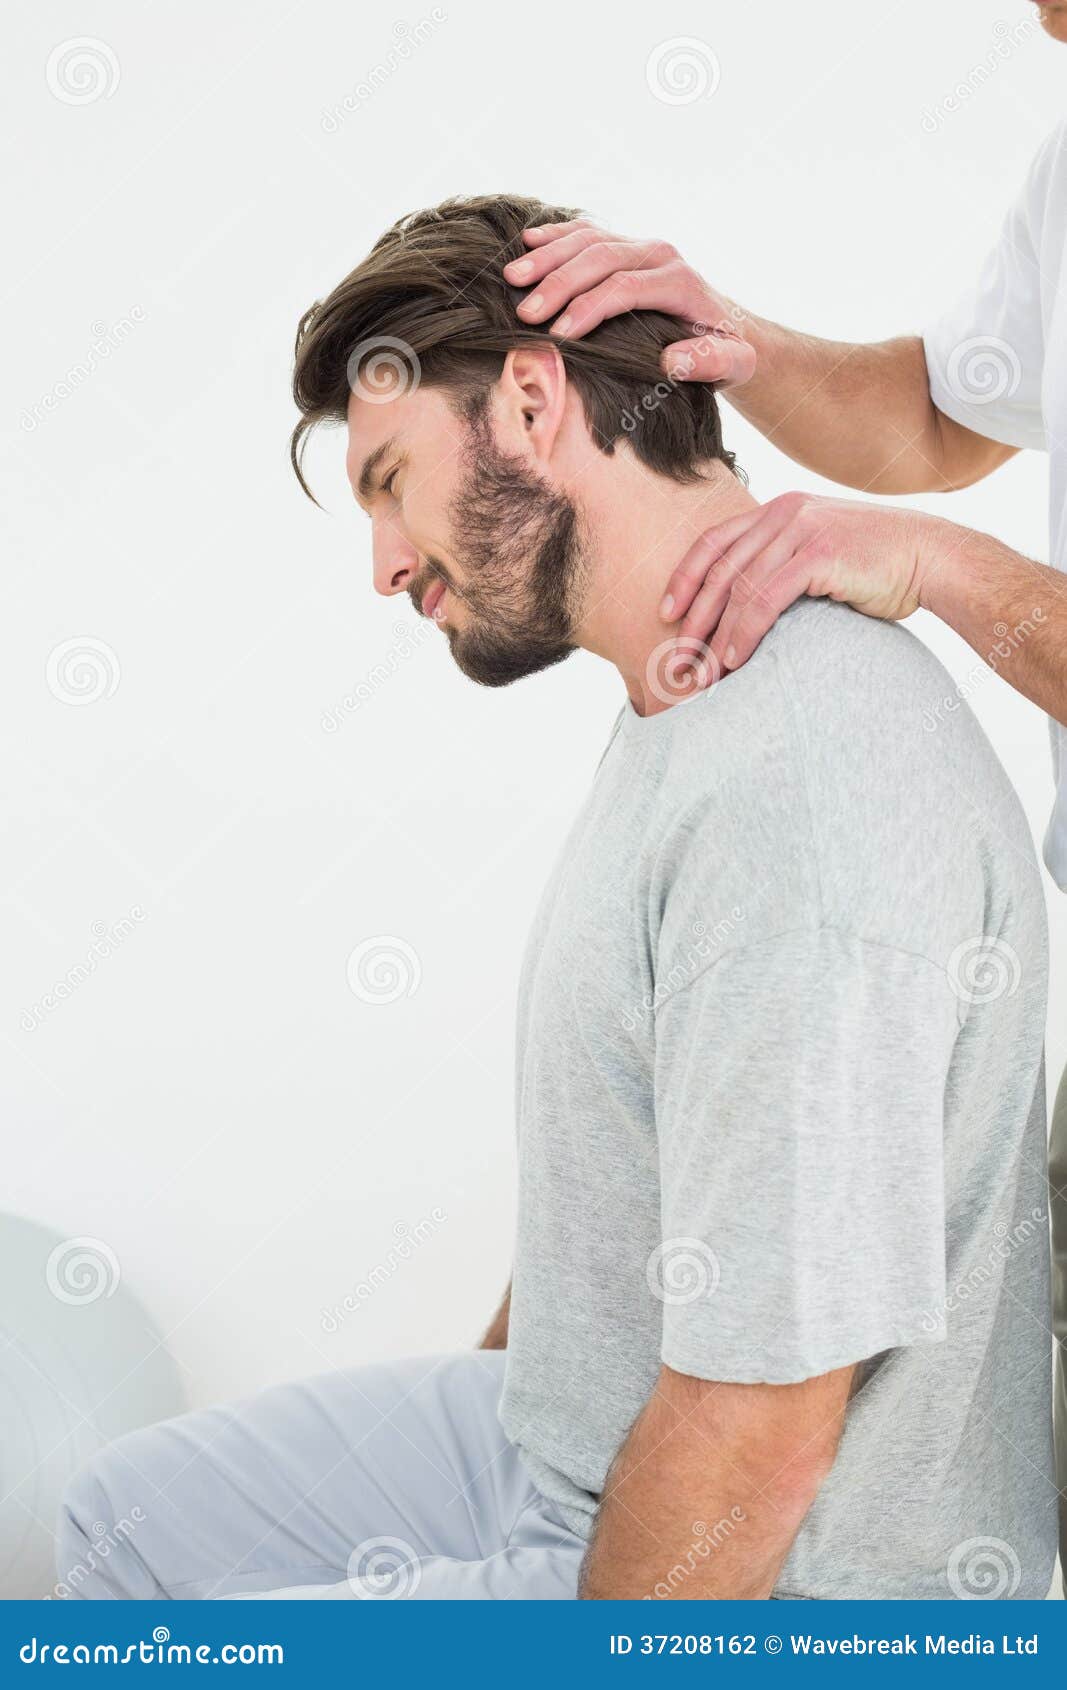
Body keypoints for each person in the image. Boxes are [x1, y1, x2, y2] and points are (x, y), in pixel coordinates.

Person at [57, 194, 1054, 1601]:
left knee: (126, 1652)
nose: (387, 567)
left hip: (802, 1592)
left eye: (390, 480)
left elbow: (761, 1446)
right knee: (123, 1525)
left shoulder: (800, 776)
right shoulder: (688, 697)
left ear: (531, 400)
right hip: (573, 1448)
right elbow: (648, 1161)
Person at [505, 12, 1067, 1575]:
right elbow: (943, 417)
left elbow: (759, 1428)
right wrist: (727, 334)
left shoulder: (820, 770)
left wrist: (938, 566)